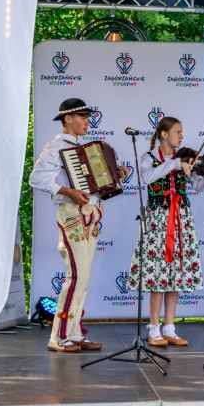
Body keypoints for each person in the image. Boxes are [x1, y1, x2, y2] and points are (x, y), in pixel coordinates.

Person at [29, 98, 128, 353]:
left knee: (83, 277)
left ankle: (73, 333)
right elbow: (36, 178)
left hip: (90, 215)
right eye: (82, 117)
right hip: (72, 215)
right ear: (68, 118)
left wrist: (116, 177)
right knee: (76, 276)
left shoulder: (81, 149)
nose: (87, 121)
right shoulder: (56, 146)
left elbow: (94, 186)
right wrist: (68, 191)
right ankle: (58, 336)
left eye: (88, 117)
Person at [125, 117, 204, 347]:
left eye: (181, 132)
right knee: (158, 275)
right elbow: (147, 177)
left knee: (174, 275)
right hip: (158, 219)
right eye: (177, 131)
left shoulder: (185, 159)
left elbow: (198, 185)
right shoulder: (148, 158)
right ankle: (154, 329)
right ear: (164, 134)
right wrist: (174, 164)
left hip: (180, 218)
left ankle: (169, 327)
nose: (181, 136)